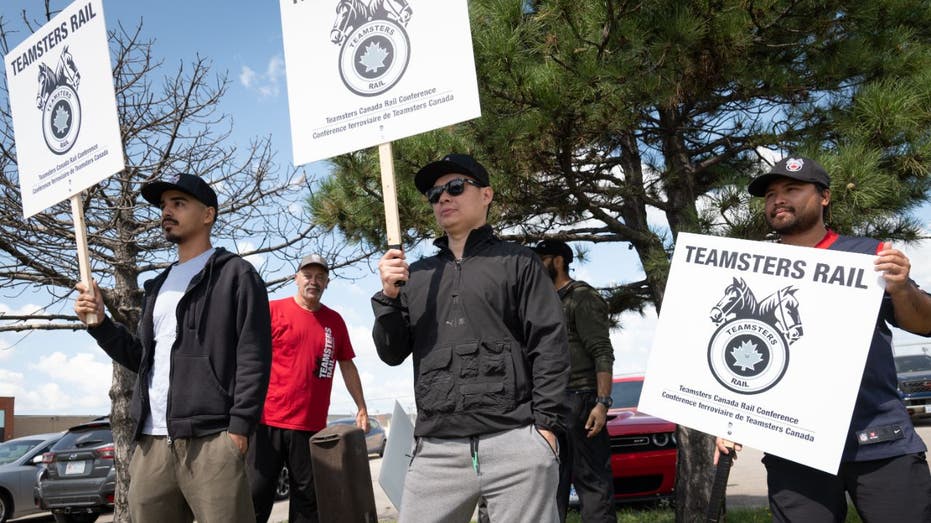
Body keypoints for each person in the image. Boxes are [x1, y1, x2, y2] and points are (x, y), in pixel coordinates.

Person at [715, 156, 931, 522]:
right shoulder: (750, 268)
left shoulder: (869, 256)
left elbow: (924, 324)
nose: (778, 199)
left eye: (792, 189)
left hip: (881, 441)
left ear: (825, 197)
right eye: (770, 194)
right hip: (794, 449)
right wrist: (728, 418)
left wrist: (900, 289)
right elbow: (734, 348)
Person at [373, 153, 570, 523]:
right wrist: (388, 296)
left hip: (515, 441)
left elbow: (550, 344)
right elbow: (391, 352)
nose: (443, 198)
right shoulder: (414, 276)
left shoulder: (519, 261)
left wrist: (544, 428)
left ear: (487, 195)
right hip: (436, 450)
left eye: (455, 187)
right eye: (435, 194)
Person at [73, 173, 272, 523]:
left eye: (178, 203)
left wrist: (240, 428)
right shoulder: (159, 286)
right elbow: (142, 359)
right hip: (152, 443)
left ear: (208, 214)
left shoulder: (236, 275)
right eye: (164, 206)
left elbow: (253, 356)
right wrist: (101, 325)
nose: (166, 211)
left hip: (213, 440)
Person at [247, 254, 369, 523]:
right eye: (308, 275)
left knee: (308, 502)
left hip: (310, 428)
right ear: (296, 279)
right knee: (255, 496)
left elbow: (347, 365)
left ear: (327, 282)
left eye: (320, 277)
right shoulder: (271, 311)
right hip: (268, 423)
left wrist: (361, 406)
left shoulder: (334, 321)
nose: (313, 281)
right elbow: (247, 357)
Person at [533, 239, 616, 523]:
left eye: (542, 259)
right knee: (550, 487)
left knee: (593, 486)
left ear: (558, 261)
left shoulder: (582, 297)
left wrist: (602, 403)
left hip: (582, 401)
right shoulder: (542, 302)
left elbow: (602, 351)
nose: (537, 265)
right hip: (550, 404)